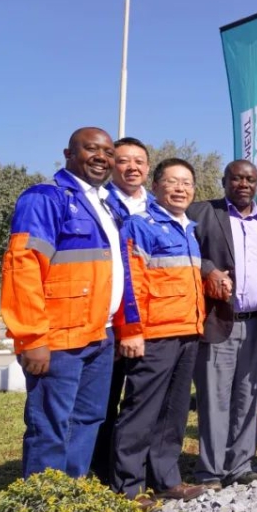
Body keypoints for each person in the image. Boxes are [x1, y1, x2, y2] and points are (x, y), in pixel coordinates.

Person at [1, 127, 127, 478]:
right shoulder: (45, 198)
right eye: (91, 149)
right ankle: (45, 501)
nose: (101, 157)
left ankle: (72, 495)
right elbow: (22, 268)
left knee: (88, 419)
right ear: (69, 154)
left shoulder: (106, 204)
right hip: (58, 338)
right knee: (50, 425)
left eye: (108, 152)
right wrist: (32, 338)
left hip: (100, 335)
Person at [112, 158, 207, 507]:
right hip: (154, 335)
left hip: (187, 331)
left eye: (187, 183)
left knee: (174, 412)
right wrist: (131, 330)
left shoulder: (188, 229)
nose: (180, 189)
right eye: (172, 181)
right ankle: (129, 487)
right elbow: (131, 282)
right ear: (155, 187)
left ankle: (166, 478)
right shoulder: (141, 226)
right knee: (141, 411)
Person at [187, 160, 257, 489]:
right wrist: (208, 269)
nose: (243, 184)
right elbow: (181, 247)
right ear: (224, 181)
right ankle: (210, 471)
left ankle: (241, 465)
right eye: (236, 178)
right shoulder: (201, 212)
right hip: (218, 321)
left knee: (248, 398)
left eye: (250, 179)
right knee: (215, 398)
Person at [91, 136, 154, 484]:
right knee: (105, 400)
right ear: (113, 164)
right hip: (112, 321)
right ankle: (103, 470)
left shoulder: (158, 206)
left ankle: (140, 467)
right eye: (124, 160)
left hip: (152, 323)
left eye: (139, 161)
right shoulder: (100, 202)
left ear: (147, 167)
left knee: (143, 400)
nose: (132, 167)